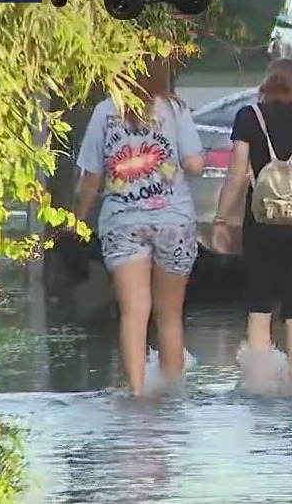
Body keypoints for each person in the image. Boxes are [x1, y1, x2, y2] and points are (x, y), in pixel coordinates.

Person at [211, 59, 292, 392]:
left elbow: (237, 174)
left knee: (259, 306)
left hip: (261, 225)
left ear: (267, 82)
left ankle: (260, 383)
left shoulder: (248, 118)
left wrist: (221, 219)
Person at [74, 56, 204, 396]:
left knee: (133, 313)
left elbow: (90, 177)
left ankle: (136, 392)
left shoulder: (104, 112)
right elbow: (195, 163)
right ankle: (172, 393)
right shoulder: (175, 110)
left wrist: (78, 219)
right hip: (173, 222)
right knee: (170, 316)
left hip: (122, 222)